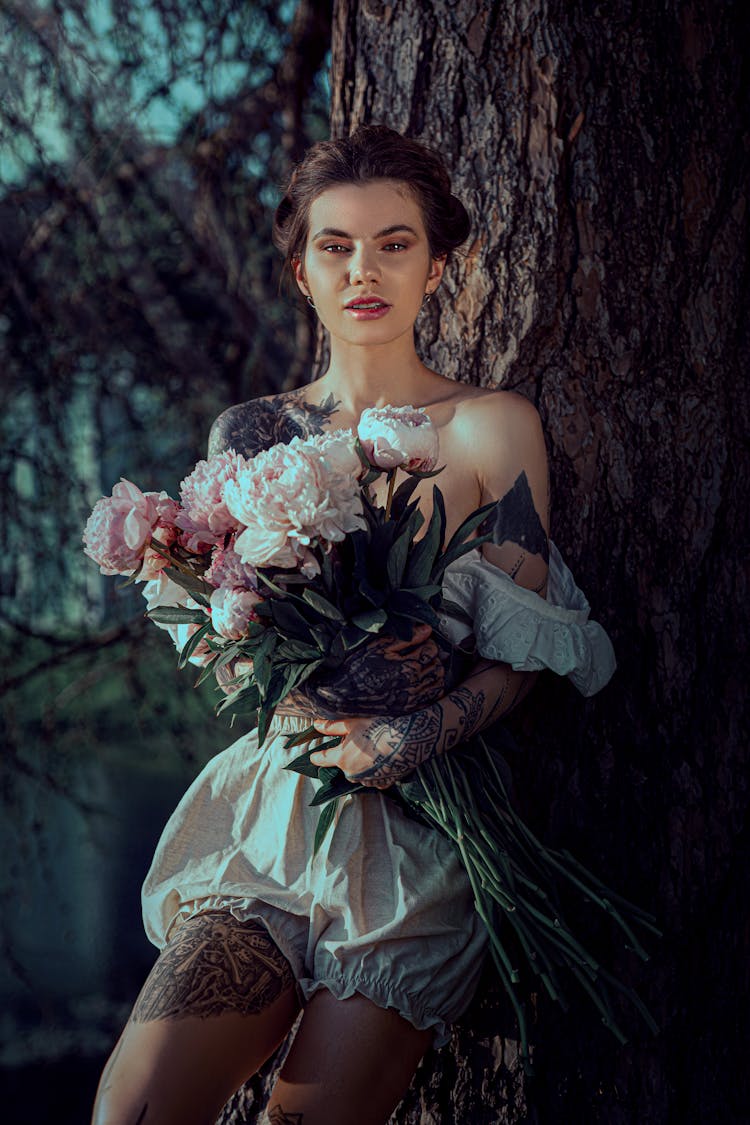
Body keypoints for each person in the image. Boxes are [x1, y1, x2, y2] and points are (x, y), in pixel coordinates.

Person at [92, 125, 614, 1125]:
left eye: (394, 242)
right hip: (268, 816)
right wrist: (272, 653)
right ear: (301, 268)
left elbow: (527, 656)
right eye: (336, 245)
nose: (363, 269)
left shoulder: (489, 428)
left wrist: (413, 732)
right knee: (136, 1110)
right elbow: (231, 651)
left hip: (418, 835)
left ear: (439, 263)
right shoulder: (248, 436)